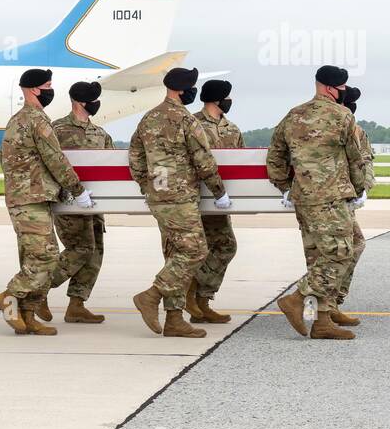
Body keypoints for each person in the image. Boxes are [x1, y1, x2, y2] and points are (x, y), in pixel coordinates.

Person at [128, 67, 232, 338]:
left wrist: (146, 185)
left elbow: (135, 157)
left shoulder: (149, 118)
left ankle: (174, 319)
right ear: (183, 90)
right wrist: (219, 192)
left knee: (174, 256)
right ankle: (150, 296)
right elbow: (203, 160)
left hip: (158, 198)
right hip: (180, 197)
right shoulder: (186, 120)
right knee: (196, 251)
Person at [268, 65, 368, 340]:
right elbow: (355, 158)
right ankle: (296, 298)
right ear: (328, 88)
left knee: (318, 256)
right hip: (331, 198)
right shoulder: (341, 115)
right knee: (340, 252)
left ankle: (323, 321)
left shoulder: (293, 115)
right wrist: (359, 189)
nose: (342, 94)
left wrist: (286, 187)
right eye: (341, 89)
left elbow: (275, 156)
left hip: (303, 198)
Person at [0, 68, 94, 336]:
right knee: (46, 258)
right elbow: (55, 158)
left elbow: (4, 159)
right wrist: (76, 188)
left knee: (32, 258)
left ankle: (28, 317)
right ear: (34, 89)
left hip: (30, 196)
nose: (51, 90)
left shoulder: (18, 120)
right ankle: (9, 297)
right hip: (30, 199)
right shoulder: (36, 119)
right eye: (48, 85)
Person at [48, 81, 113, 324]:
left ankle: (77, 305)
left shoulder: (101, 133)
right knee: (80, 250)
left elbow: (110, 169)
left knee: (95, 253)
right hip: (68, 205)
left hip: (94, 206)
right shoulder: (57, 130)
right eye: (93, 99)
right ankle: (38, 291)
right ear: (79, 102)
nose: (97, 103)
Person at [187, 78, 244, 324]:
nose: (230, 101)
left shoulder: (232, 129)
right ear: (218, 98)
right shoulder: (193, 124)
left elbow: (241, 163)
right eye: (228, 96)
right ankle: (191, 296)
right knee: (197, 251)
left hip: (221, 202)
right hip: (197, 198)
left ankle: (201, 298)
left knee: (225, 246)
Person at [332, 86, 374, 325]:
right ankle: (323, 303)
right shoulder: (334, 125)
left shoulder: (356, 129)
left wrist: (363, 188)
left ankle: (332, 302)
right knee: (343, 248)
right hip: (330, 198)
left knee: (353, 245)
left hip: (347, 197)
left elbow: (364, 159)